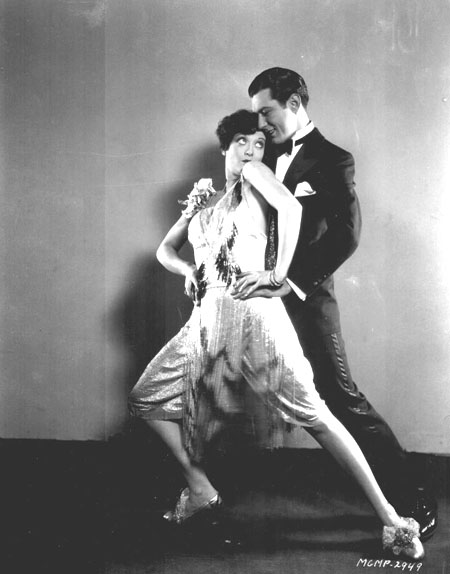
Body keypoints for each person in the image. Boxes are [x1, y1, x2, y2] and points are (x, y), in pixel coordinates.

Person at [128, 109, 424, 560]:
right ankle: (201, 490)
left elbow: (290, 207)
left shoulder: (255, 177)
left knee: (316, 416)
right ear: (224, 146)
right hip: (207, 321)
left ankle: (392, 520)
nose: (252, 151)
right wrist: (188, 268)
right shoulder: (205, 198)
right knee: (146, 398)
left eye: (260, 143)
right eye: (242, 142)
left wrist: (276, 274)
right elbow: (165, 249)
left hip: (254, 316)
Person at [246, 67, 437, 540]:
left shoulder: (333, 159)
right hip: (257, 297)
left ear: (294, 104)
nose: (261, 124)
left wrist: (291, 283)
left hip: (306, 299)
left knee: (340, 397)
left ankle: (412, 495)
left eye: (267, 112)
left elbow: (347, 236)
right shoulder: (261, 154)